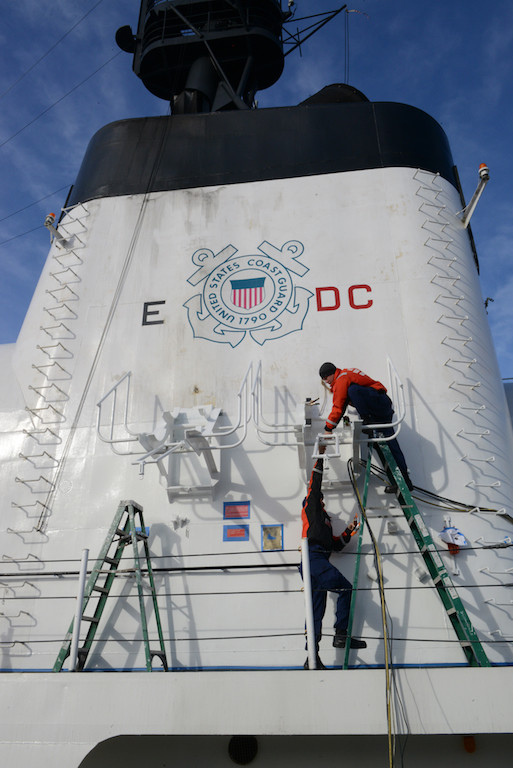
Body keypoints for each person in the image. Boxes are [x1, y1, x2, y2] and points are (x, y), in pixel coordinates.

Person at [300, 457, 366, 669]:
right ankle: (341, 635)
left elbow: (336, 546)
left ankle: (312, 657)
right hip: (312, 557)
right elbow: (314, 487)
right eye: (321, 499)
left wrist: (349, 530)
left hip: (317, 560)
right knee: (345, 588)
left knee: (315, 611)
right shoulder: (311, 509)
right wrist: (319, 460)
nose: (323, 501)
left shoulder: (325, 522)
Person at [319, 362, 413, 492]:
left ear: (331, 374)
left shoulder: (341, 379)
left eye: (325, 378)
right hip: (380, 409)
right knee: (392, 446)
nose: (326, 382)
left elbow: (338, 407)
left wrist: (328, 429)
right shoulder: (346, 374)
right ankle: (404, 482)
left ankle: (368, 421)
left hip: (379, 404)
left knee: (352, 390)